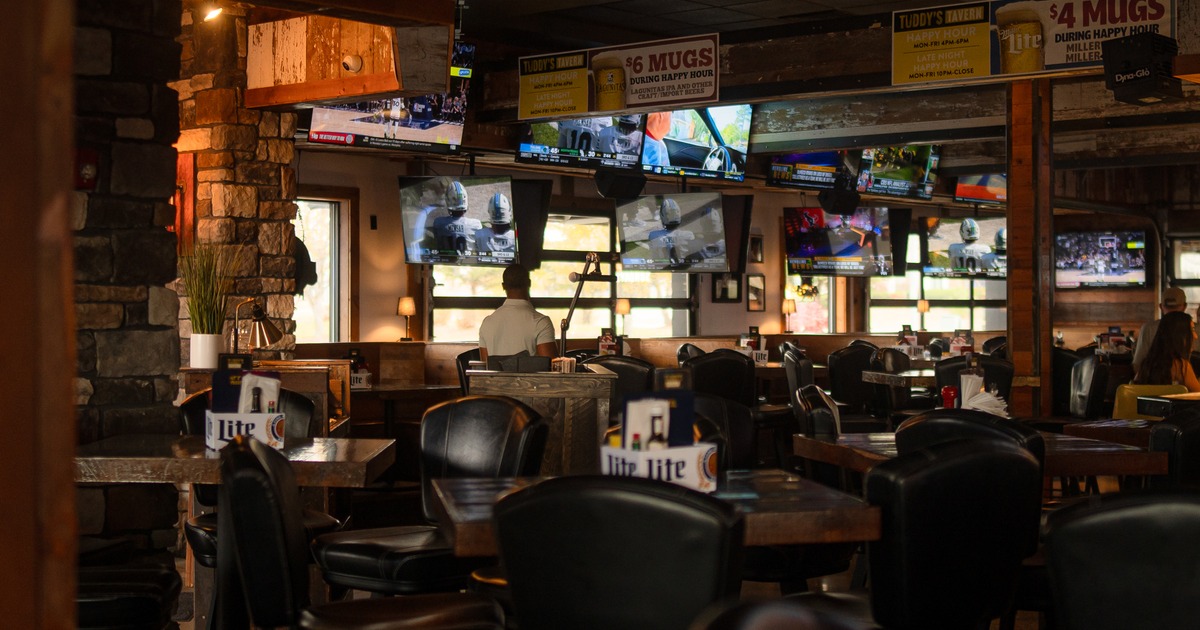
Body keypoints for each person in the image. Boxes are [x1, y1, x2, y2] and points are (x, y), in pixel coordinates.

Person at [478, 264, 556, 362]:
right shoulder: (540, 322)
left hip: (497, 378)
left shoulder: (487, 323)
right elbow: (552, 368)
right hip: (529, 378)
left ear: (503, 286)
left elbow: (486, 366)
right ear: (529, 283)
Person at [1133, 310, 1200, 392]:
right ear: (1180, 335)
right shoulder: (1181, 366)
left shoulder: (1146, 365)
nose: (1195, 336)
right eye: (1192, 330)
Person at [1133, 287, 1188, 372]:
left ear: (1161, 307)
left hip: (1156, 383)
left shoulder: (1149, 328)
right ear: (1184, 306)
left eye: (1175, 307)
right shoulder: (1194, 328)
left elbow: (1138, 364)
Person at [431, 180, 481, 256]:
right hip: (469, 262)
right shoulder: (476, 224)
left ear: (448, 201)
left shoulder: (439, 223)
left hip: (445, 261)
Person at [647, 197, 695, 268]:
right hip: (684, 268)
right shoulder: (689, 235)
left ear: (662, 216)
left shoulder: (653, 235)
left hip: (661, 269)